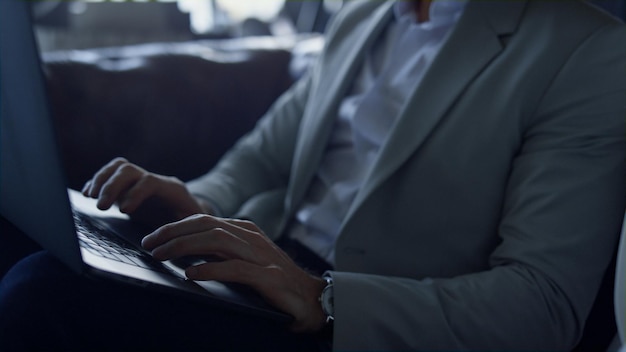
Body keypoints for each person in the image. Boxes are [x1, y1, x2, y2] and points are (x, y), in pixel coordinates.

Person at [1, 0, 625, 350]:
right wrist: (194, 203)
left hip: (349, 316)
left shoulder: (588, 52)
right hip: (263, 268)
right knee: (23, 236)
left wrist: (324, 299)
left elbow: (544, 307)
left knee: (42, 290)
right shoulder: (363, 15)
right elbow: (263, 156)